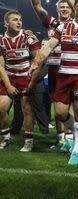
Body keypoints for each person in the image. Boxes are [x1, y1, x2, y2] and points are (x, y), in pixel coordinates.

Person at [29, 0, 78, 165]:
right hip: (63, 75)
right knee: (61, 113)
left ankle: (76, 150)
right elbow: (48, 46)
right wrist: (36, 62)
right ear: (74, 6)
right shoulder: (63, 27)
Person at [29, 0, 75, 149]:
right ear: (56, 9)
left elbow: (76, 6)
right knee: (57, 104)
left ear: (70, 10)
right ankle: (60, 138)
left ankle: (71, 139)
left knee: (68, 104)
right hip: (53, 67)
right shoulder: (52, 23)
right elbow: (37, 7)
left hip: (70, 68)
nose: (64, 9)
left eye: (66, 7)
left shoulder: (76, 23)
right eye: (61, 7)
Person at [0, 11, 41, 151]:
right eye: (15, 20)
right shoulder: (1, 40)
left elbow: (38, 59)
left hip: (25, 77)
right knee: (1, 109)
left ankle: (29, 141)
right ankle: (6, 138)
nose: (19, 22)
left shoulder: (28, 36)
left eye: (20, 19)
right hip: (9, 77)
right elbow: (0, 66)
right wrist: (8, 85)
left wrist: (33, 81)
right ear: (6, 23)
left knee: (27, 109)